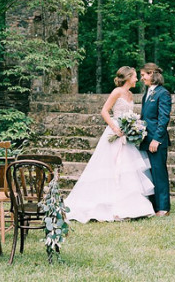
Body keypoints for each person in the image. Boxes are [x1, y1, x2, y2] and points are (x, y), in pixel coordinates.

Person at [65, 66, 155, 223]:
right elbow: (104, 111)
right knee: (111, 168)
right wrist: (115, 127)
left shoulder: (130, 94)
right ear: (128, 78)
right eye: (134, 76)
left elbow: (131, 114)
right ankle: (107, 205)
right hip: (115, 133)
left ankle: (130, 207)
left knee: (127, 171)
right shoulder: (117, 92)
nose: (136, 79)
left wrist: (133, 127)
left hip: (126, 135)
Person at [139, 63, 172, 216]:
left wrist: (156, 139)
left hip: (156, 141)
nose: (142, 78)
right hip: (146, 139)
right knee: (149, 173)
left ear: (151, 74)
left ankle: (164, 208)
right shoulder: (147, 93)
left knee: (159, 173)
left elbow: (163, 118)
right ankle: (153, 205)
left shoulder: (163, 93)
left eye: (144, 75)